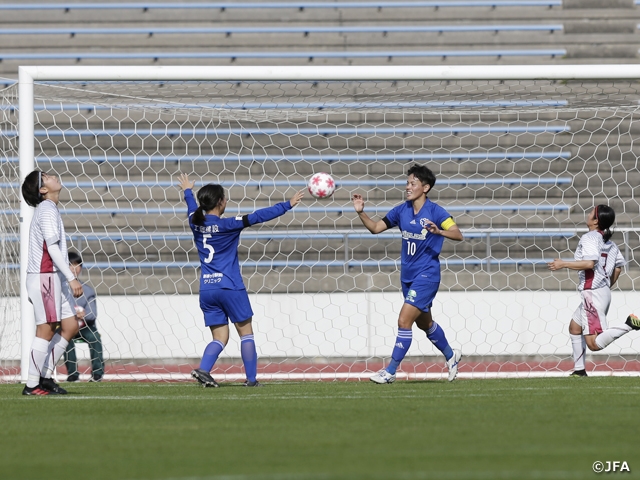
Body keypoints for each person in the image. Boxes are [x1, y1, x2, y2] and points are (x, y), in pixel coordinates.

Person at [177, 173, 304, 387]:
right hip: (230, 286)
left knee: (220, 337)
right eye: (225, 198)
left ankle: (204, 370)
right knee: (246, 333)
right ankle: (252, 380)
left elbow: (191, 207)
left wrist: (187, 191)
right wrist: (287, 205)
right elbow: (258, 216)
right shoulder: (229, 225)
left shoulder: (194, 222)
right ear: (220, 202)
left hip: (207, 289)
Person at [352, 164, 464, 384]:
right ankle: (452, 356)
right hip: (408, 277)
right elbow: (375, 228)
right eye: (407, 182)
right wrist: (360, 212)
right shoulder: (401, 210)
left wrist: (438, 231)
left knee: (404, 321)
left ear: (426, 187)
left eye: (413, 183)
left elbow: (458, 234)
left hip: (427, 275)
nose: (408, 187)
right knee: (425, 324)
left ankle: (390, 371)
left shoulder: (436, 212)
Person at [548, 205, 640, 377]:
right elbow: (619, 267)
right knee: (575, 327)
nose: (588, 213)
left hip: (593, 293)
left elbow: (590, 263)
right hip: (600, 291)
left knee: (593, 344)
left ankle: (628, 324)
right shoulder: (609, 243)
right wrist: (605, 284)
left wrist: (563, 264)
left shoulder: (590, 237)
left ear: (596, 220)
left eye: (591, 212)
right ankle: (579, 370)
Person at [20, 170, 83, 395]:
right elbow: (52, 248)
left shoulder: (50, 208)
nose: (53, 175)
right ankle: (31, 385)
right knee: (45, 331)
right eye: (45, 176)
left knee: (70, 326)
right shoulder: (46, 209)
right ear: (43, 190)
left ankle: (45, 376)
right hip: (45, 277)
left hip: (53, 277)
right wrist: (72, 277)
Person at [63, 251, 104, 382]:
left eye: (77, 265)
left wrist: (83, 315)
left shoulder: (88, 290)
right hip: (66, 326)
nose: (74, 269)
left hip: (85, 326)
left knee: (95, 337)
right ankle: (73, 374)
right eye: (70, 265)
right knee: (65, 338)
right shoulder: (60, 288)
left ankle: (97, 374)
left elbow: (92, 314)